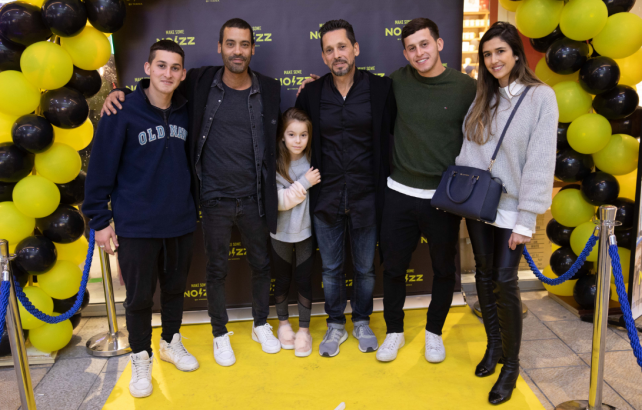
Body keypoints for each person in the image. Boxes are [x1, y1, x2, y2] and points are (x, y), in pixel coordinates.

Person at [100, 18, 282, 367]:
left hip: (254, 197)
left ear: (252, 49)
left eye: (244, 44)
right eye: (231, 43)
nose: (238, 51)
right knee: (214, 270)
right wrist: (121, 93)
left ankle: (260, 324)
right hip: (210, 199)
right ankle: (217, 334)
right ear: (220, 47)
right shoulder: (200, 82)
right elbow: (155, 89)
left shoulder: (269, 89)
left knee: (261, 264)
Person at [83, 40, 199, 399]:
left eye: (175, 67)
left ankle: (170, 342)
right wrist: (99, 219)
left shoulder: (186, 109)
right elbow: (100, 167)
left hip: (179, 220)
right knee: (138, 299)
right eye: (161, 65)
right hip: (137, 225)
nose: (168, 73)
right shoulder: (122, 109)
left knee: (175, 290)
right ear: (147, 68)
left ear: (182, 73)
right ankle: (141, 355)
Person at [456, 21, 557, 404]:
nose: (493, 60)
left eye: (500, 51)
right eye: (487, 54)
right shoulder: (484, 96)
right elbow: (469, 149)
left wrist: (526, 219)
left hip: (513, 207)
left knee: (504, 280)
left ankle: (511, 366)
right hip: (480, 203)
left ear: (516, 53)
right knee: (483, 276)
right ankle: (494, 346)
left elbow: (540, 162)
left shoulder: (540, 97)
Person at [375, 18, 477, 364]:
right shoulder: (396, 81)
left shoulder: (466, 87)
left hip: (443, 197)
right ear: (405, 53)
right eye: (411, 48)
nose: (419, 52)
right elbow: (361, 97)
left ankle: (434, 332)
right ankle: (394, 331)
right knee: (393, 268)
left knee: (444, 270)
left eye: (424, 44)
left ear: (439, 44)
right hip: (399, 192)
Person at [295, 19, 396, 357]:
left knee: (365, 269)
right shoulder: (311, 94)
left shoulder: (381, 89)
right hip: (326, 197)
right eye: (329, 50)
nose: (337, 54)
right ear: (323, 57)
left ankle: (363, 320)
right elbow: (296, 139)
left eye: (342, 47)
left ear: (355, 49)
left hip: (368, 196)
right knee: (331, 269)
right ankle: (336, 324)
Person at [271, 108, 321, 358]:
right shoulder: (275, 162)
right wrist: (303, 183)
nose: (298, 141)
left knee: (303, 280)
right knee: (281, 280)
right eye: (292, 134)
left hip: (306, 232)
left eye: (303, 135)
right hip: (280, 233)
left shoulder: (313, 160)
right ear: (282, 135)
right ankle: (283, 325)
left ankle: (304, 330)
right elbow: (277, 202)